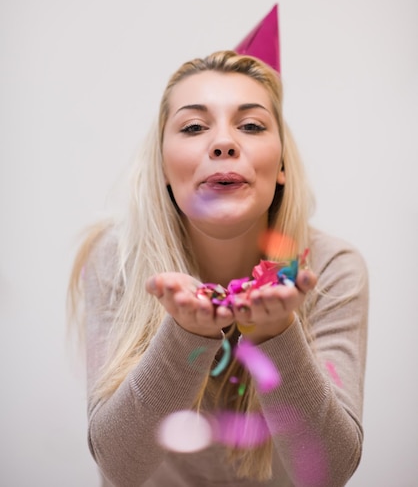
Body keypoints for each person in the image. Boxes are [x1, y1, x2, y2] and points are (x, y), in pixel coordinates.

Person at [68, 49, 368, 487]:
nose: (224, 144)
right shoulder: (117, 261)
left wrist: (277, 335)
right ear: (163, 168)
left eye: (251, 125)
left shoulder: (333, 270)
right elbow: (120, 467)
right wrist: (186, 335)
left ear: (282, 163)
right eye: (193, 127)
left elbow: (328, 473)